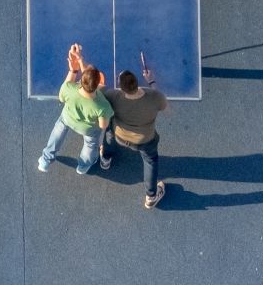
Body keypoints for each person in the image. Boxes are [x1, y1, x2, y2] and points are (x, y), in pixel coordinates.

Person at [38, 45, 113, 175]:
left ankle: (45, 160)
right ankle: (82, 167)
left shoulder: (69, 88)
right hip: (86, 129)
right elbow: (103, 125)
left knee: (58, 131)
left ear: (81, 80)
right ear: (97, 85)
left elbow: (62, 97)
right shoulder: (102, 105)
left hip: (67, 118)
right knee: (91, 144)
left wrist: (75, 66)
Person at [99, 69, 168, 209]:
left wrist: (81, 66)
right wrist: (152, 81)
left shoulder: (114, 96)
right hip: (145, 140)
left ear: (121, 88)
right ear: (137, 82)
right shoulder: (154, 96)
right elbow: (165, 106)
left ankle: (105, 159)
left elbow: (98, 88)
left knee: (110, 130)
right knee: (150, 161)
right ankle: (151, 196)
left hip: (120, 137)